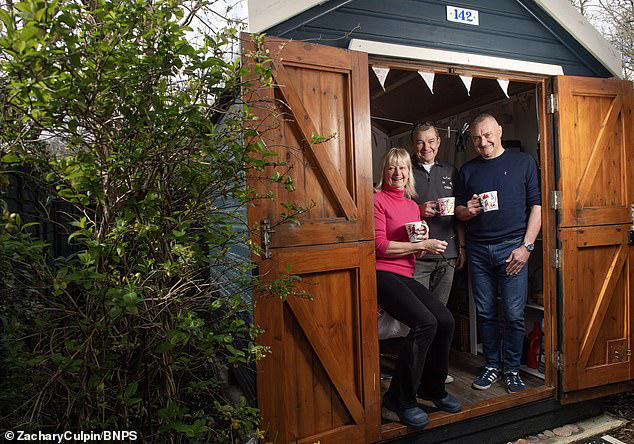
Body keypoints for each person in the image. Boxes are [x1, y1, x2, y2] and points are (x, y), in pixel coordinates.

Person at [374, 147, 461, 429]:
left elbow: (414, 254)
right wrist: (422, 243)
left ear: (409, 173)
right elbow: (379, 246)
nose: (398, 174)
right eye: (392, 168)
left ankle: (431, 389)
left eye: (403, 169)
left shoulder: (412, 205)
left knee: (445, 320)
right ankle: (399, 399)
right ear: (384, 172)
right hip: (382, 273)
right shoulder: (377, 200)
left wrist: (420, 243)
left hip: (406, 273)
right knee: (425, 323)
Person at [455, 114, 541, 394]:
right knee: (486, 312)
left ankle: (512, 370)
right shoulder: (467, 170)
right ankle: (492, 365)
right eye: (477, 138)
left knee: (514, 313)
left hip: (513, 248)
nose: (483, 142)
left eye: (488, 134)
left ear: (500, 132)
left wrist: (526, 247)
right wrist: (468, 211)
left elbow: (537, 207)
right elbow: (458, 213)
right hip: (479, 250)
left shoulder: (524, 162)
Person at [410, 122, 465, 385]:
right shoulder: (405, 170)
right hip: (418, 256)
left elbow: (459, 217)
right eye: (420, 142)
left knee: (441, 315)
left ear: (439, 142)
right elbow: (395, 209)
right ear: (414, 144)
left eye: (430, 141)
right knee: (419, 318)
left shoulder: (451, 172)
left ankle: (437, 371)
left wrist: (461, 247)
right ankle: (415, 371)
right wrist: (417, 210)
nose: (426, 147)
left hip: (448, 255)